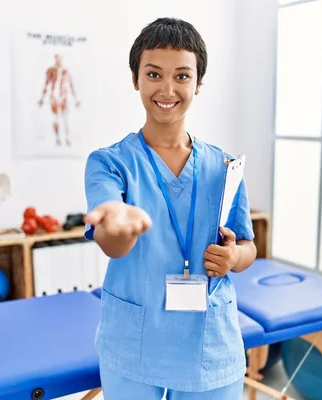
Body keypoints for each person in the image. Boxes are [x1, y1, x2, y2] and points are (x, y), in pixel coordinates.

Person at [83, 17, 257, 399]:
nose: (167, 88)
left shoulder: (224, 166)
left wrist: (234, 257)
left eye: (181, 76)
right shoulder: (109, 163)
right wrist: (118, 229)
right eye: (153, 74)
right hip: (134, 340)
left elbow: (248, 246)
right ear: (136, 79)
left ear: (198, 83)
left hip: (208, 344)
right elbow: (111, 237)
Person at [38, 53, 81, 146]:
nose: (58, 60)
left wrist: (76, 100)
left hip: (63, 97)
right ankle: (57, 138)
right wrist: (42, 98)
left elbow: (71, 85)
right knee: (56, 118)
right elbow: (46, 84)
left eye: (60, 58)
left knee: (65, 118)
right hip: (54, 96)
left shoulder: (65, 71)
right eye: (57, 58)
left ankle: (67, 138)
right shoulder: (51, 71)